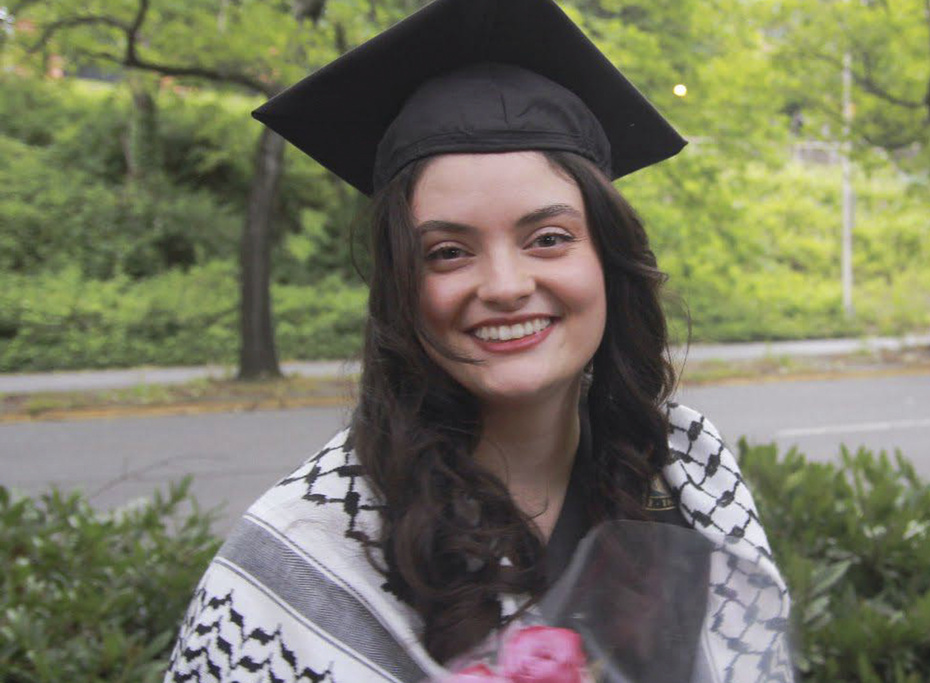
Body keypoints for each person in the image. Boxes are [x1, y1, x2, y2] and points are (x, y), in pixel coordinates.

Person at [165, 0, 791, 681]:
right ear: (401, 286)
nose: (503, 284)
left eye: (547, 238)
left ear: (607, 259)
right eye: (448, 252)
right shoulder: (304, 548)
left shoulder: (687, 469)